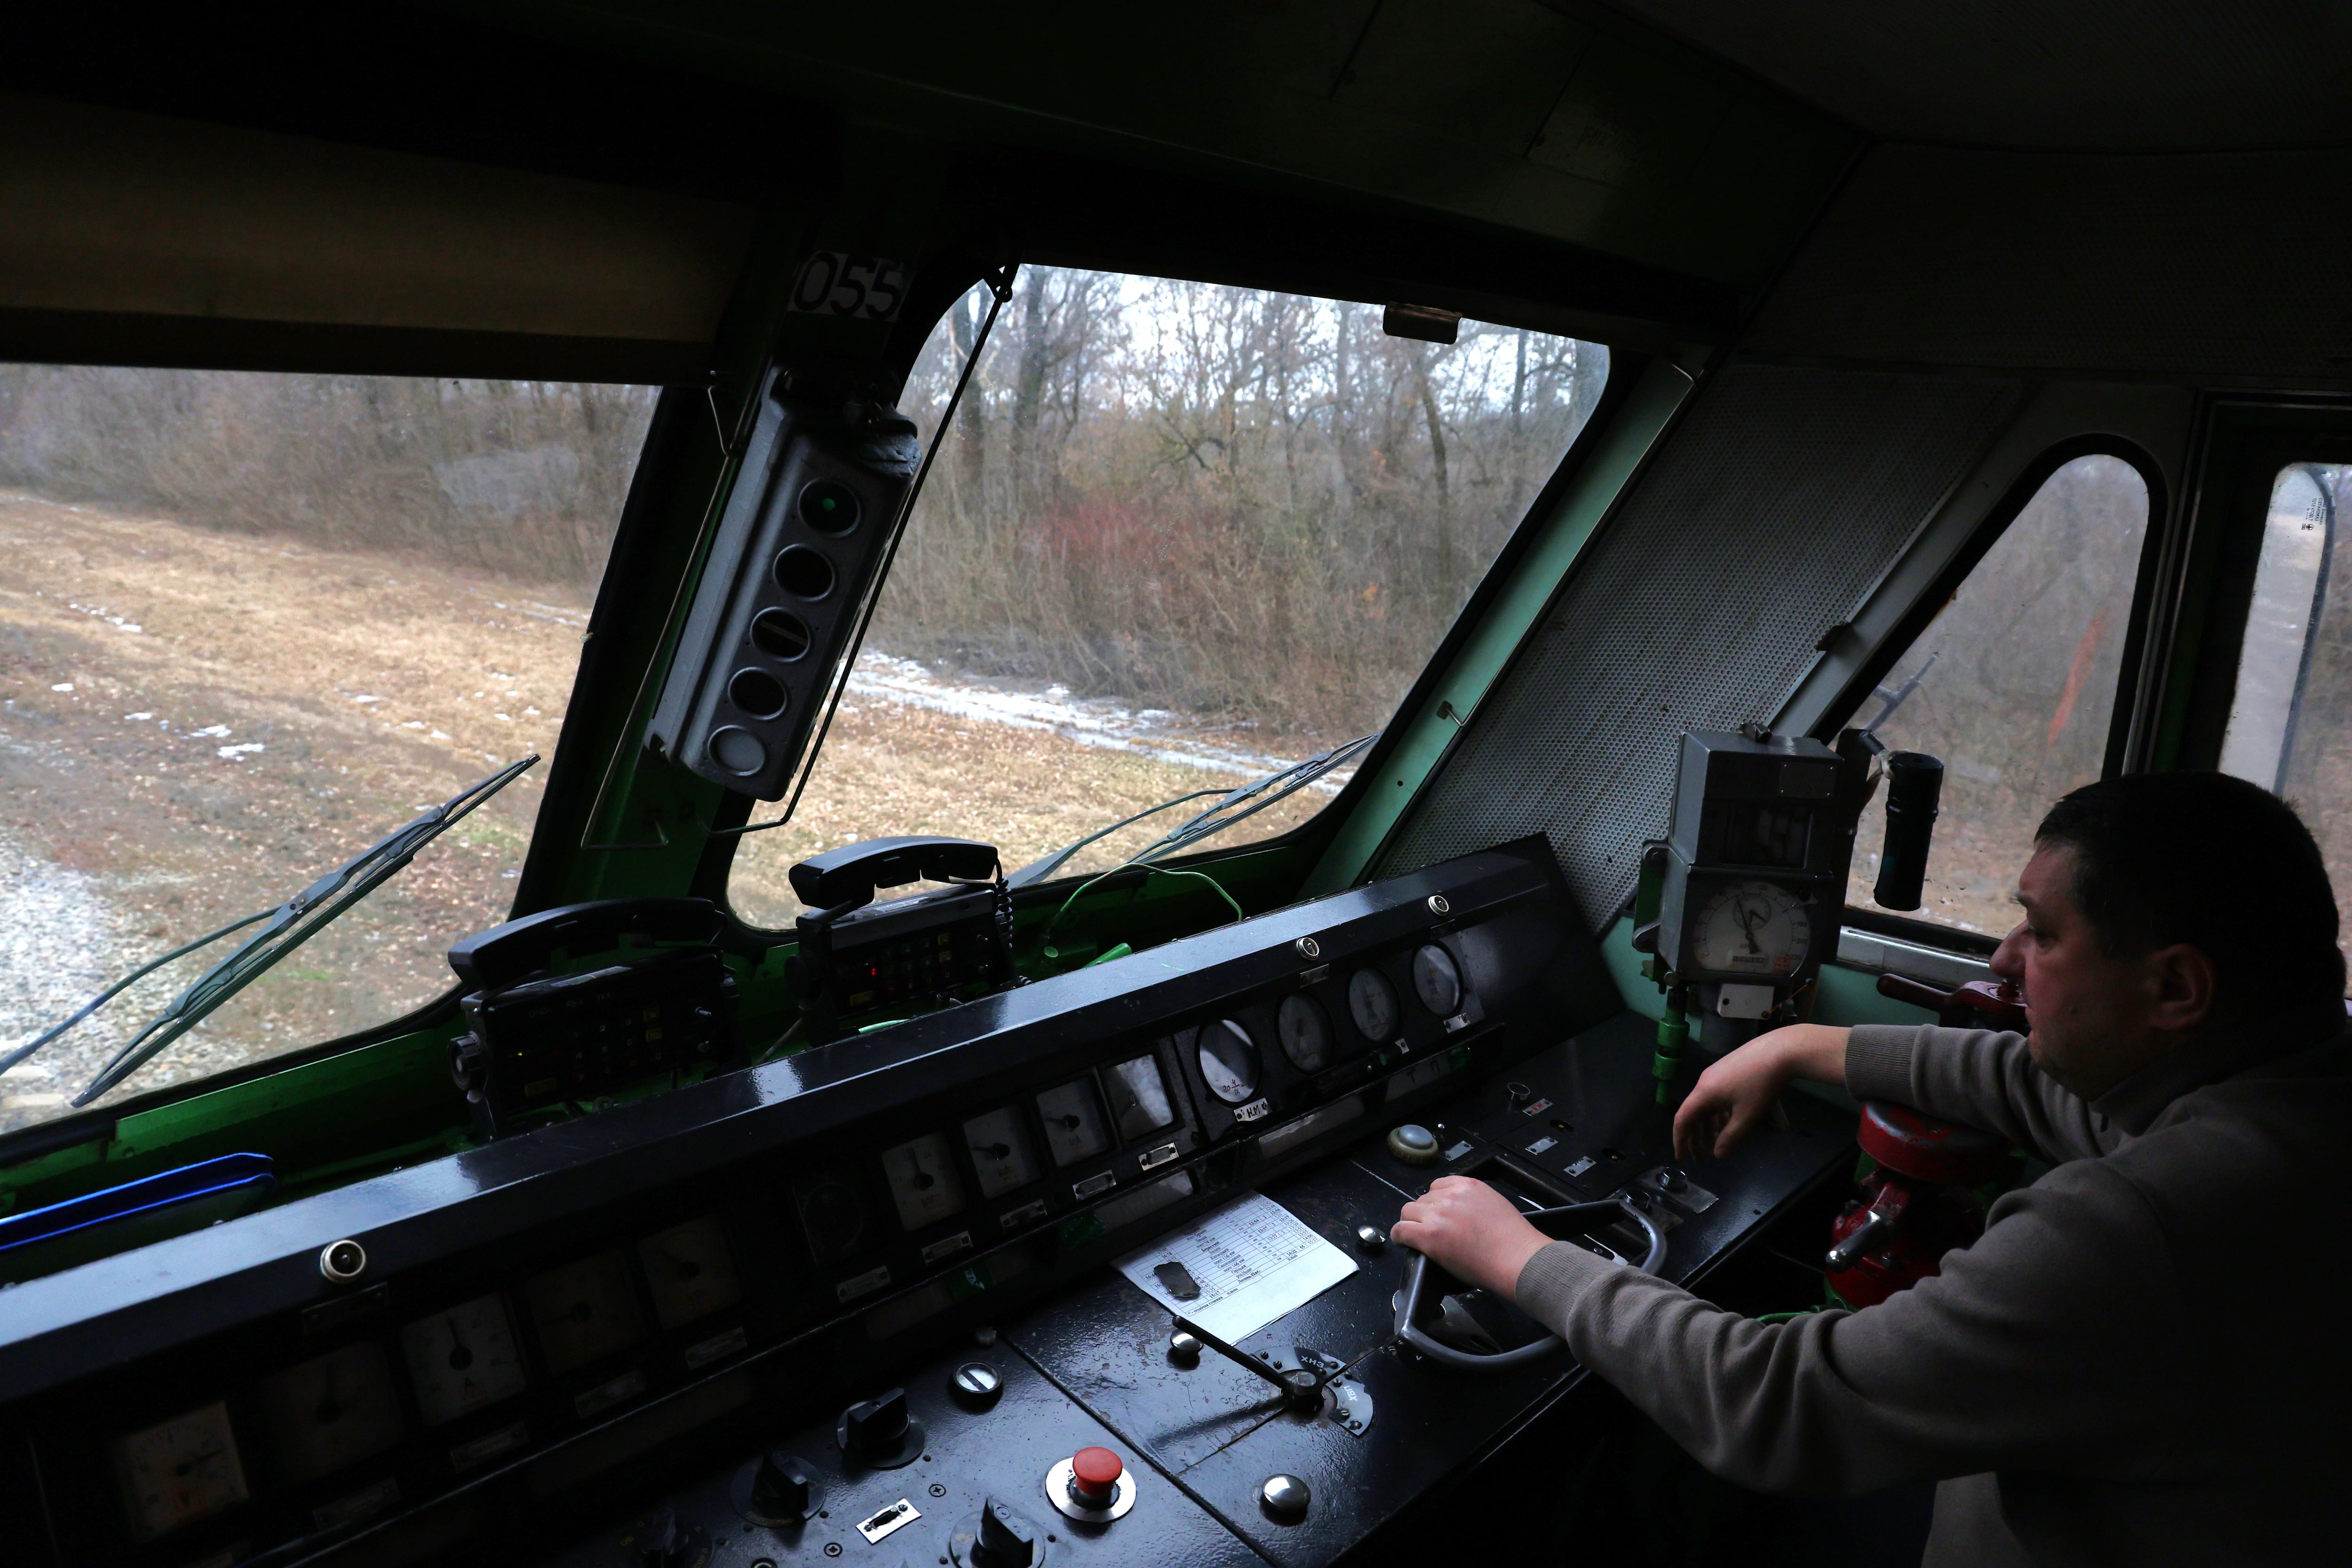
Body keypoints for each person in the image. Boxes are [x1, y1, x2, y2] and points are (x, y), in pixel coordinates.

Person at [1393, 772, 2352, 1567]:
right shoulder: (2280, 1096)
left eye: (2043, 933)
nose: (2004, 957)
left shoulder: (2144, 1225)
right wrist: (1811, 1045)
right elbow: (2047, 1085)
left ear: (2176, 987)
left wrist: (1519, 1254)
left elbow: (1779, 1401)